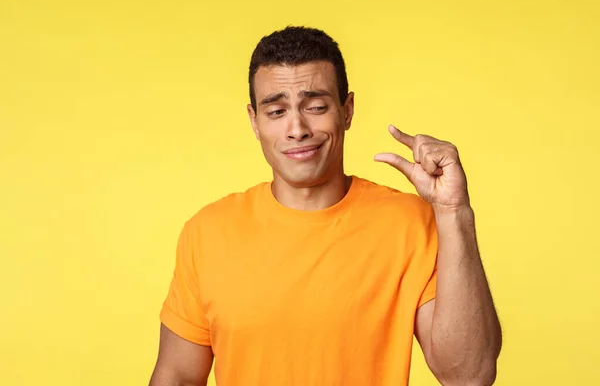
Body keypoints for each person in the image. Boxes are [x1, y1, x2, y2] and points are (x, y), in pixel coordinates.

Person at [149, 26, 502, 386]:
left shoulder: (411, 223)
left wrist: (453, 211)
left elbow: (469, 376)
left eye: (315, 107)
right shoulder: (208, 232)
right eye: (276, 111)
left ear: (347, 111)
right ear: (254, 122)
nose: (297, 128)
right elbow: (176, 375)